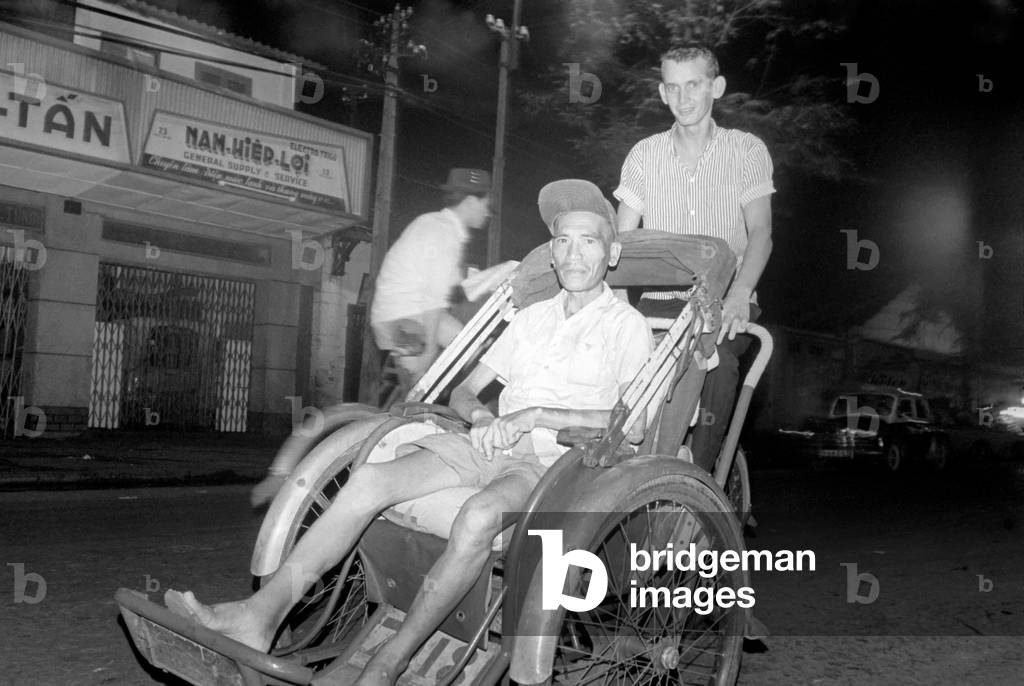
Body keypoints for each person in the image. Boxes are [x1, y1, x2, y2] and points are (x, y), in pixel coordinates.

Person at [165, 179, 654, 685]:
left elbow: (633, 423)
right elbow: (465, 391)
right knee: (369, 479)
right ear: (551, 252)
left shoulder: (626, 326)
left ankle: (388, 663)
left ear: (611, 252)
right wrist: (484, 417)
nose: (574, 254)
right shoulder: (531, 319)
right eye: (562, 241)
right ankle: (258, 617)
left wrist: (536, 417)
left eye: (589, 241)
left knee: (479, 513)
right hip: (486, 446)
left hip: (557, 468)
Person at [614, 44, 775, 472]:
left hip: (725, 300)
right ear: (662, 93)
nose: (683, 98)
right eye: (673, 87)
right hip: (658, 302)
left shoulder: (746, 150)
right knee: (613, 361)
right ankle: (621, 469)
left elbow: (761, 233)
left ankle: (697, 484)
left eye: (694, 85)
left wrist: (740, 293)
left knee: (715, 366)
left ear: (715, 87)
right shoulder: (643, 156)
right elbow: (620, 243)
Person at [370, 168, 493, 380]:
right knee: (420, 389)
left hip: (410, 311)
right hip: (403, 318)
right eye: (486, 205)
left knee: (474, 350)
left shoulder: (442, 228)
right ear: (471, 201)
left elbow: (455, 291)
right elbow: (433, 299)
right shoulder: (441, 232)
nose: (488, 212)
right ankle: (417, 403)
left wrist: (492, 283)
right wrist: (428, 352)